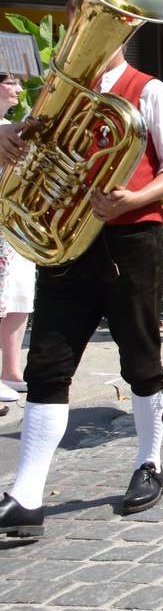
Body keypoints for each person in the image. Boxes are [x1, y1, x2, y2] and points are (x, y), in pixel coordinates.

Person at [0, 28, 163, 538]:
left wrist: (133, 199)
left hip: (130, 240)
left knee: (140, 358)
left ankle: (149, 463)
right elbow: (37, 153)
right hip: (65, 241)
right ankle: (26, 495)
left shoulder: (150, 90)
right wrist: (9, 138)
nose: (82, 35)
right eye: (79, 22)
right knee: (47, 365)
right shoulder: (55, 90)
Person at [0, 72, 33, 410]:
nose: (19, 89)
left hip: (16, 221)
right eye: (11, 82)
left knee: (20, 295)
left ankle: (11, 369)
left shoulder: (11, 123)